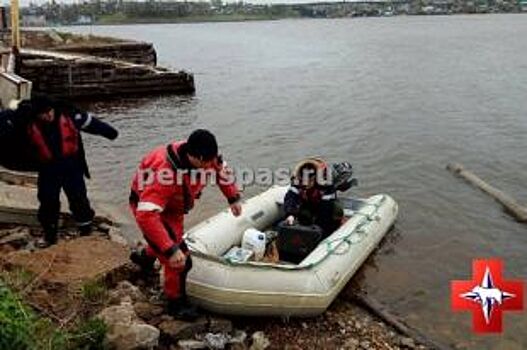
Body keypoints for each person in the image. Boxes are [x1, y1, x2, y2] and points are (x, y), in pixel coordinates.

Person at [129, 129, 241, 320]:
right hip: (149, 208)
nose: (210, 166)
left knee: (173, 241)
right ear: (196, 157)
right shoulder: (165, 173)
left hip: (174, 207)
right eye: (207, 163)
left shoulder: (206, 155)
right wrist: (170, 250)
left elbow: (221, 171)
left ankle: (144, 258)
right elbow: (146, 215)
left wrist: (232, 197)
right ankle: (175, 303)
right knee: (181, 261)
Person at [26, 96, 118, 246]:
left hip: (72, 165)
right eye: (43, 114)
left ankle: (85, 230)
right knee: (48, 201)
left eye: (50, 111)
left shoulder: (69, 115)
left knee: (78, 198)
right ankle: (50, 235)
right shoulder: (28, 122)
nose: (48, 116)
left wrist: (111, 133)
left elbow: (92, 124)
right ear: (37, 115)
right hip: (48, 168)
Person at [283, 157, 345, 236]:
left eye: (309, 181)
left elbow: (326, 208)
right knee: (303, 215)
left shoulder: (326, 184)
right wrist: (290, 214)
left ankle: (330, 231)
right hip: (308, 203)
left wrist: (320, 228)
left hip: (325, 206)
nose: (306, 184)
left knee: (336, 211)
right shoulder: (296, 180)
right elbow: (291, 197)